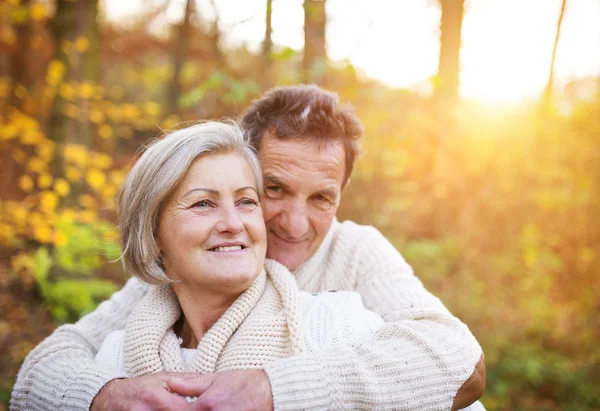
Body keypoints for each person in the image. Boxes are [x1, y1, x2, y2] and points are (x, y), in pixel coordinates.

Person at [11, 85, 485, 411]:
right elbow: (49, 363)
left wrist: (275, 389)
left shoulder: (354, 262)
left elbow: (459, 363)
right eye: (273, 190)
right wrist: (104, 394)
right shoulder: (174, 279)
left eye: (321, 198)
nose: (294, 224)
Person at [91, 121, 386, 403]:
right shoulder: (115, 360)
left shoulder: (338, 325)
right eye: (203, 204)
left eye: (246, 201)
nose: (233, 224)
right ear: (152, 235)